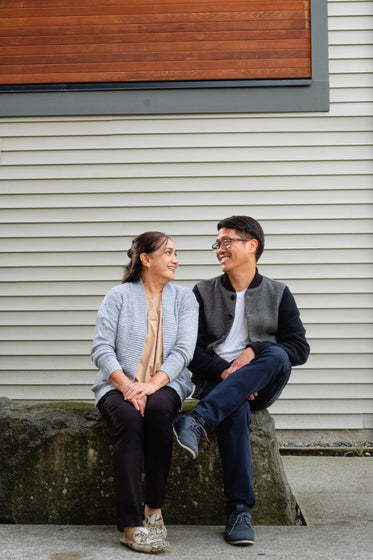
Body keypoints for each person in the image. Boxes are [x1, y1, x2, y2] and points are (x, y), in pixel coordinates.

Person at [173, 215, 310, 546]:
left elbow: (299, 348)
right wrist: (226, 372)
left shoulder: (279, 293)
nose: (219, 249)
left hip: (261, 385)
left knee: (277, 356)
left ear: (252, 245)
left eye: (226, 242)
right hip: (217, 385)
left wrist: (253, 352)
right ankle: (239, 511)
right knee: (233, 409)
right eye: (216, 244)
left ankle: (198, 420)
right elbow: (190, 351)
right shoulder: (202, 292)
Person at [91, 231, 198, 554]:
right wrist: (127, 386)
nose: (175, 259)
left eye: (176, 252)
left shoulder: (184, 298)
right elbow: (101, 348)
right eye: (168, 252)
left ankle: (154, 509)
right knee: (128, 419)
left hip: (166, 383)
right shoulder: (119, 296)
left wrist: (151, 385)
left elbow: (183, 350)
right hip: (118, 384)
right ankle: (130, 525)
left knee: (157, 412)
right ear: (146, 259)